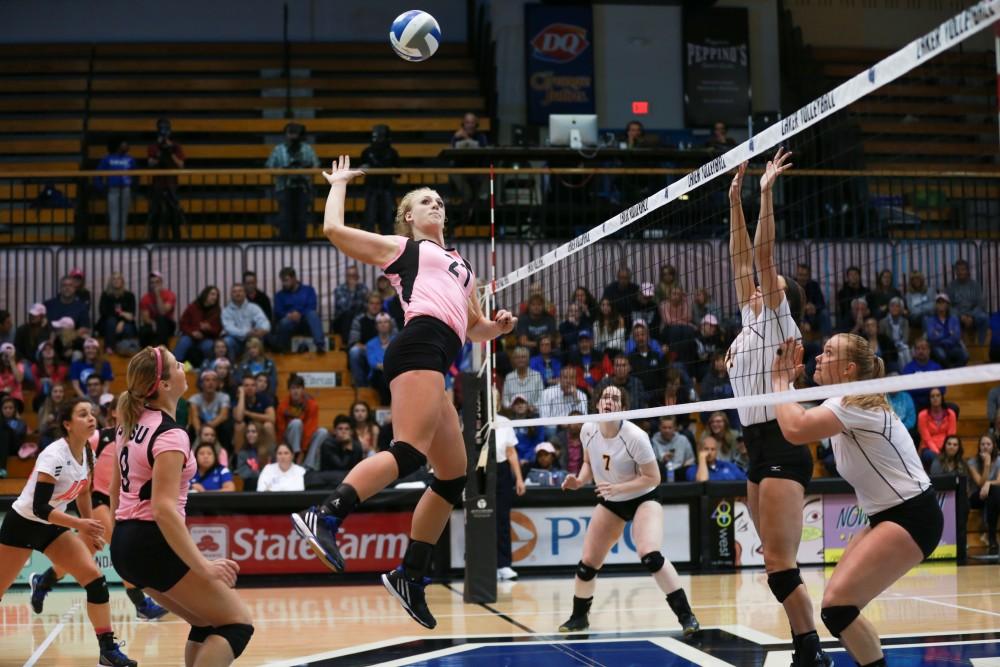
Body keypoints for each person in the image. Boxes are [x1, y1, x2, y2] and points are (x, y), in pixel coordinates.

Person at [290, 156, 515, 630]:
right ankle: (325, 515)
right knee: (409, 451)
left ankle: (410, 574)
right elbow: (333, 229)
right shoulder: (405, 250)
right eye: (424, 202)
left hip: (442, 354)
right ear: (409, 217)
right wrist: (339, 184)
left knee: (453, 475)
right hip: (417, 346)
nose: (435, 205)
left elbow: (473, 329)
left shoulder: (463, 267)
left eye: (439, 201)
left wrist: (495, 327)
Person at [771, 333, 944, 666]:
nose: (819, 357)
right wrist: (788, 386)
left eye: (829, 352)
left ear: (849, 368)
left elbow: (794, 428)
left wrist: (779, 382)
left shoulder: (853, 402)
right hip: (892, 515)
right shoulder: (846, 402)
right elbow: (797, 419)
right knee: (838, 610)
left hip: (912, 514)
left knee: (838, 607)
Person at [727, 151, 827, 667]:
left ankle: (811, 650)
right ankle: (804, 646)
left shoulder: (780, 323)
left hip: (784, 445)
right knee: (773, 564)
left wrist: (764, 194)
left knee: (780, 563)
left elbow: (761, 258)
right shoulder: (751, 323)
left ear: (789, 300)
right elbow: (740, 259)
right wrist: (732, 203)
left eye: (775, 286)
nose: (765, 284)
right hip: (755, 447)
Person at [110, 346, 254, 664]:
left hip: (125, 542)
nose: (183, 369)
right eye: (177, 365)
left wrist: (118, 536)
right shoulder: (169, 433)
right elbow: (162, 509)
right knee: (237, 624)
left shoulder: (128, 424)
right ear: (162, 383)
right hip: (150, 540)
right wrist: (203, 565)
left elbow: (113, 491)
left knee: (205, 621)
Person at [0, 397, 136, 666]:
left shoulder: (87, 452)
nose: (91, 418)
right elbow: (39, 507)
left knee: (95, 580)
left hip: (51, 527)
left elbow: (84, 491)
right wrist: (80, 525)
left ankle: (107, 651)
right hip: (23, 525)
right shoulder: (53, 455)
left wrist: (90, 527)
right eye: (83, 414)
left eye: (92, 413)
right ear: (67, 424)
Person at [557, 385, 699, 635]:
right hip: (612, 499)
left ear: (622, 408)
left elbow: (653, 478)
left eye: (615, 398)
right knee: (587, 564)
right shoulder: (588, 429)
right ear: (598, 404)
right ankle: (579, 618)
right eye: (605, 397)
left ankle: (687, 616)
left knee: (650, 555)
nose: (609, 401)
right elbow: (589, 462)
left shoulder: (635, 436)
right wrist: (579, 481)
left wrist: (619, 487)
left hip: (643, 497)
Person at [29, 401, 169, 621]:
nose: (135, 411)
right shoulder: (99, 437)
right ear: (113, 412)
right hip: (93, 497)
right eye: (127, 407)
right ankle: (141, 604)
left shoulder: (141, 439)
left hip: (120, 500)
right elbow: (70, 451)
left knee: (83, 553)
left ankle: (43, 581)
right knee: (121, 545)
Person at [266, 122, 320, 242]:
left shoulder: (308, 149)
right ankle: (285, 240)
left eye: (295, 133)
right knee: (285, 215)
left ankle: (301, 240)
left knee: (302, 215)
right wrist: (284, 170)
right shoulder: (278, 149)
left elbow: (316, 167)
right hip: (284, 187)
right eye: (290, 133)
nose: (293, 136)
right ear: (285, 134)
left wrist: (305, 168)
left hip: (303, 187)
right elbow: (270, 167)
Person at [493, 409, 526, 581]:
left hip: (502, 471)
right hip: (480, 471)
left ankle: (504, 565)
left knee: (503, 519)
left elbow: (511, 452)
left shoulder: (504, 421)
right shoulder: (471, 421)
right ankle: (484, 564)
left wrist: (519, 479)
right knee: (480, 519)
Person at [146, 118, 185, 241]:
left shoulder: (176, 146)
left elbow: (180, 165)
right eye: (162, 128)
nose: (164, 131)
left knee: (174, 213)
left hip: (171, 184)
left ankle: (176, 241)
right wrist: (159, 153)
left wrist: (170, 151)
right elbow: (150, 163)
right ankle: (153, 241)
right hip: (157, 184)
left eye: (166, 128)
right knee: (156, 213)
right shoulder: (153, 146)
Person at [272, 267, 326, 353]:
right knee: (284, 322)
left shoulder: (308, 290)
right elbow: (278, 311)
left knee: (312, 314)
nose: (284, 283)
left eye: (286, 280)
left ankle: (320, 345)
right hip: (290, 322)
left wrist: (299, 314)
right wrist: (289, 315)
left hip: (306, 321)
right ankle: (283, 350)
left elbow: (312, 306)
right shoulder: (279, 295)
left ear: (294, 278)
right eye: (283, 281)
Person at [449, 112, 489, 225]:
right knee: (467, 193)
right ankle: (465, 220)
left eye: (472, 122)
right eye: (467, 122)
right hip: (460, 172)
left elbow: (484, 151)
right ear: (463, 124)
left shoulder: (481, 137)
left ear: (476, 124)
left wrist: (466, 137)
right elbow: (450, 153)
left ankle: (476, 218)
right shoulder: (456, 137)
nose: (470, 125)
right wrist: (455, 138)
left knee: (485, 184)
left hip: (477, 172)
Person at [360, 124, 400, 234]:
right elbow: (361, 168)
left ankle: (387, 242)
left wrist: (392, 170)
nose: (377, 139)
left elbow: (398, 173)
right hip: (371, 187)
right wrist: (363, 168)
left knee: (387, 218)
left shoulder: (392, 153)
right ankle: (368, 243)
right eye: (376, 137)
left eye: (380, 137)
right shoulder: (367, 152)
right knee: (369, 217)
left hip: (387, 188)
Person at [276, 373, 325, 465]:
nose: (296, 391)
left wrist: (302, 451)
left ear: (303, 390)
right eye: (293, 388)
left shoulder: (312, 404)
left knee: (323, 432)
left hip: (305, 438)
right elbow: (281, 430)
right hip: (289, 439)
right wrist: (282, 448)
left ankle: (307, 465)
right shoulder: (282, 405)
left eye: (298, 388)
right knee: (296, 423)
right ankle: (294, 458)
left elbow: (309, 430)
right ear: (289, 390)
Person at [96, 136, 135, 242]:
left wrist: (135, 187)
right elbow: (98, 174)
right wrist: (101, 188)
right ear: (118, 145)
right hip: (113, 190)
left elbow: (136, 174)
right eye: (124, 143)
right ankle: (114, 242)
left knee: (124, 217)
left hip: (126, 189)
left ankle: (122, 241)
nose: (126, 145)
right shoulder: (107, 158)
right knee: (114, 217)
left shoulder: (130, 159)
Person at [966, 434, 1000, 555]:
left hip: (993, 496)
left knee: (994, 491)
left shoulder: (999, 460)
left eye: (988, 444)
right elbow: (980, 483)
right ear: (979, 446)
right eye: (983, 444)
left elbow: (999, 480)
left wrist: (989, 484)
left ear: (994, 446)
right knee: (994, 492)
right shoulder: (972, 462)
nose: (985, 447)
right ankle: (991, 537)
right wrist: (986, 464)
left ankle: (991, 537)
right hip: (977, 496)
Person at [174, 285, 222, 366]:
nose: (215, 297)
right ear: (205, 294)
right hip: (190, 336)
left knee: (209, 346)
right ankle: (174, 365)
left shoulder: (217, 311)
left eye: (217, 295)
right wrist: (192, 332)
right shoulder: (193, 307)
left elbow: (218, 330)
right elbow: (182, 324)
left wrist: (209, 328)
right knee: (183, 342)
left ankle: (208, 367)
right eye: (212, 294)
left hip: (206, 338)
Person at [222, 283, 271, 361]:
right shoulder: (226, 311)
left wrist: (262, 329)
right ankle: (231, 366)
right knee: (227, 341)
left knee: (258, 338)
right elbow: (230, 329)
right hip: (236, 341)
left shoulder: (254, 307)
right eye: (234, 292)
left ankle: (258, 365)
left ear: (245, 293)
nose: (238, 293)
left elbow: (263, 321)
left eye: (240, 291)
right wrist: (246, 332)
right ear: (231, 295)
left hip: (251, 339)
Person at [189, 369, 233, 454]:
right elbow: (194, 417)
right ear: (202, 384)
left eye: (214, 380)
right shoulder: (194, 398)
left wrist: (208, 429)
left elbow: (223, 416)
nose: (210, 383)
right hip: (201, 426)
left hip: (217, 425)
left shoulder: (224, 397)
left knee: (226, 427)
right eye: (207, 380)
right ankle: (190, 456)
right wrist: (200, 432)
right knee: (191, 429)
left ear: (217, 384)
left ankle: (226, 456)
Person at [946, 258, 989, 344]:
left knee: (984, 318)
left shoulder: (975, 285)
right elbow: (948, 305)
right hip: (958, 315)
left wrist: (971, 316)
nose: (960, 272)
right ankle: (956, 345)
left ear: (967, 271)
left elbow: (981, 304)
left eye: (963, 269)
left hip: (973, 315)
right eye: (958, 270)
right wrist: (961, 316)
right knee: (952, 317)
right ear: (955, 272)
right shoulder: (951, 286)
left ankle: (981, 346)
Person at [233, 374, 276, 452]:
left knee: (268, 425)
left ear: (256, 388)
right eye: (246, 385)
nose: (250, 388)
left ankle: (273, 456)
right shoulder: (238, 399)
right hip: (245, 428)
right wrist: (242, 395)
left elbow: (272, 418)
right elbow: (239, 418)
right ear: (241, 388)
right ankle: (238, 459)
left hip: (260, 426)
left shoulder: (264, 397)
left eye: (253, 385)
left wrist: (248, 413)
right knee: (239, 426)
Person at [917, 388, 957, 470]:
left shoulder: (950, 414)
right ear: (929, 399)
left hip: (946, 446)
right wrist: (938, 453)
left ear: (942, 397)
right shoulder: (922, 415)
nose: (935, 398)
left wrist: (946, 449)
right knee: (932, 457)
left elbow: (951, 435)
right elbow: (926, 438)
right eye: (932, 396)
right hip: (928, 447)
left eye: (938, 395)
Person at [924, 293, 968, 368]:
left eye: (943, 302)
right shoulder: (930, 320)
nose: (941, 304)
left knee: (964, 356)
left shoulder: (954, 319)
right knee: (941, 356)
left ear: (947, 305)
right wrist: (948, 333)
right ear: (935, 305)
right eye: (939, 302)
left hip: (952, 346)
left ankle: (955, 372)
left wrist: (940, 335)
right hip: (937, 346)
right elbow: (931, 337)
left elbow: (956, 336)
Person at [97, 272, 138, 353]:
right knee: (111, 322)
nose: (116, 281)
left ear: (122, 281)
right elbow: (103, 312)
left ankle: (125, 349)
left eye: (118, 279)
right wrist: (122, 314)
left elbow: (131, 314)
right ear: (110, 282)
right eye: (114, 279)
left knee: (128, 328)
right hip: (107, 322)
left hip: (125, 323)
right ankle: (109, 348)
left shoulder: (129, 295)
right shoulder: (105, 295)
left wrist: (122, 322)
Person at [901, 338, 944, 412]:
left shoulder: (936, 367)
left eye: (923, 348)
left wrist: (918, 387)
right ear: (914, 351)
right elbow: (906, 391)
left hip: (933, 403)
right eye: (918, 348)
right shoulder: (907, 368)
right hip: (914, 405)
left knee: (953, 407)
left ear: (929, 351)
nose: (921, 351)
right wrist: (929, 386)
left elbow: (942, 389)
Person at [332, 265, 369, 345]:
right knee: (348, 314)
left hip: (358, 319)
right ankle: (348, 343)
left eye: (354, 275)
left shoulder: (363, 288)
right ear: (346, 277)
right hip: (341, 322)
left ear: (358, 277)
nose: (352, 278)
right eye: (349, 275)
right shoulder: (339, 289)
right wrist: (352, 291)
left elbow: (366, 307)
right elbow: (345, 308)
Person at [138, 271, 177, 348]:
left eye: (157, 282)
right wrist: (153, 323)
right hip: (152, 324)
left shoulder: (170, 295)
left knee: (161, 319)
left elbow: (162, 312)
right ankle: (145, 354)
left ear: (161, 283)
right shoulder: (145, 298)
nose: (154, 284)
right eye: (152, 282)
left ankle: (163, 349)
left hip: (167, 324)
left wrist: (157, 295)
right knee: (143, 330)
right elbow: (146, 318)